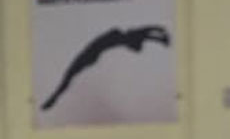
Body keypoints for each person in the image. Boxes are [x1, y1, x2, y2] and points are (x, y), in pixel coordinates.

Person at [40, 25, 171, 112]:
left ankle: (53, 98)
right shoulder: (129, 36)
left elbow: (152, 32)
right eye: (135, 49)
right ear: (132, 44)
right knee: (69, 75)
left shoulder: (128, 37)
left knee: (69, 75)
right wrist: (162, 38)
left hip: (91, 53)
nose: (133, 50)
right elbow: (151, 30)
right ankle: (53, 98)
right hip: (90, 53)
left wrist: (162, 38)